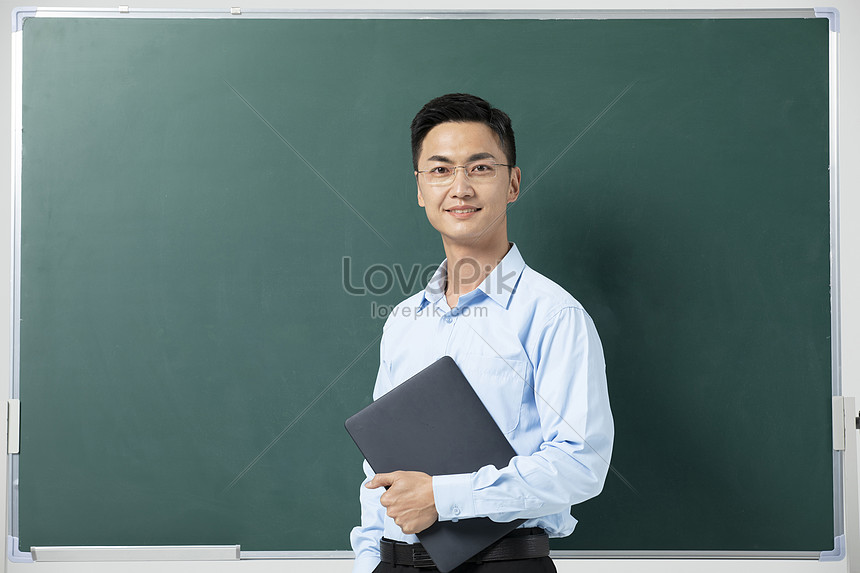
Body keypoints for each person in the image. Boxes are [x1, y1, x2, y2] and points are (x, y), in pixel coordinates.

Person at [350, 93, 614, 573]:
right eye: (440, 169)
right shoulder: (404, 320)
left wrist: (443, 497)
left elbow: (582, 464)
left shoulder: (553, 314)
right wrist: (369, 561)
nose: (460, 187)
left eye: (480, 168)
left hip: (500, 564)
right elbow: (379, 468)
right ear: (419, 188)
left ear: (512, 182)